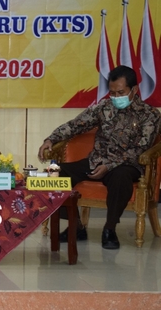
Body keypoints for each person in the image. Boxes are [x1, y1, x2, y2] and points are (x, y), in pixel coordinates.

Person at [38, 65, 161, 250]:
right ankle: (76, 225)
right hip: (96, 161)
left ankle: (109, 229)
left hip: (126, 165)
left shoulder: (150, 115)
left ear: (134, 90)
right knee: (54, 174)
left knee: (120, 178)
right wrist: (51, 139)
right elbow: (76, 124)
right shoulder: (104, 107)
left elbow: (140, 149)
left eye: (121, 93)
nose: (116, 97)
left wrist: (109, 165)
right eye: (112, 93)